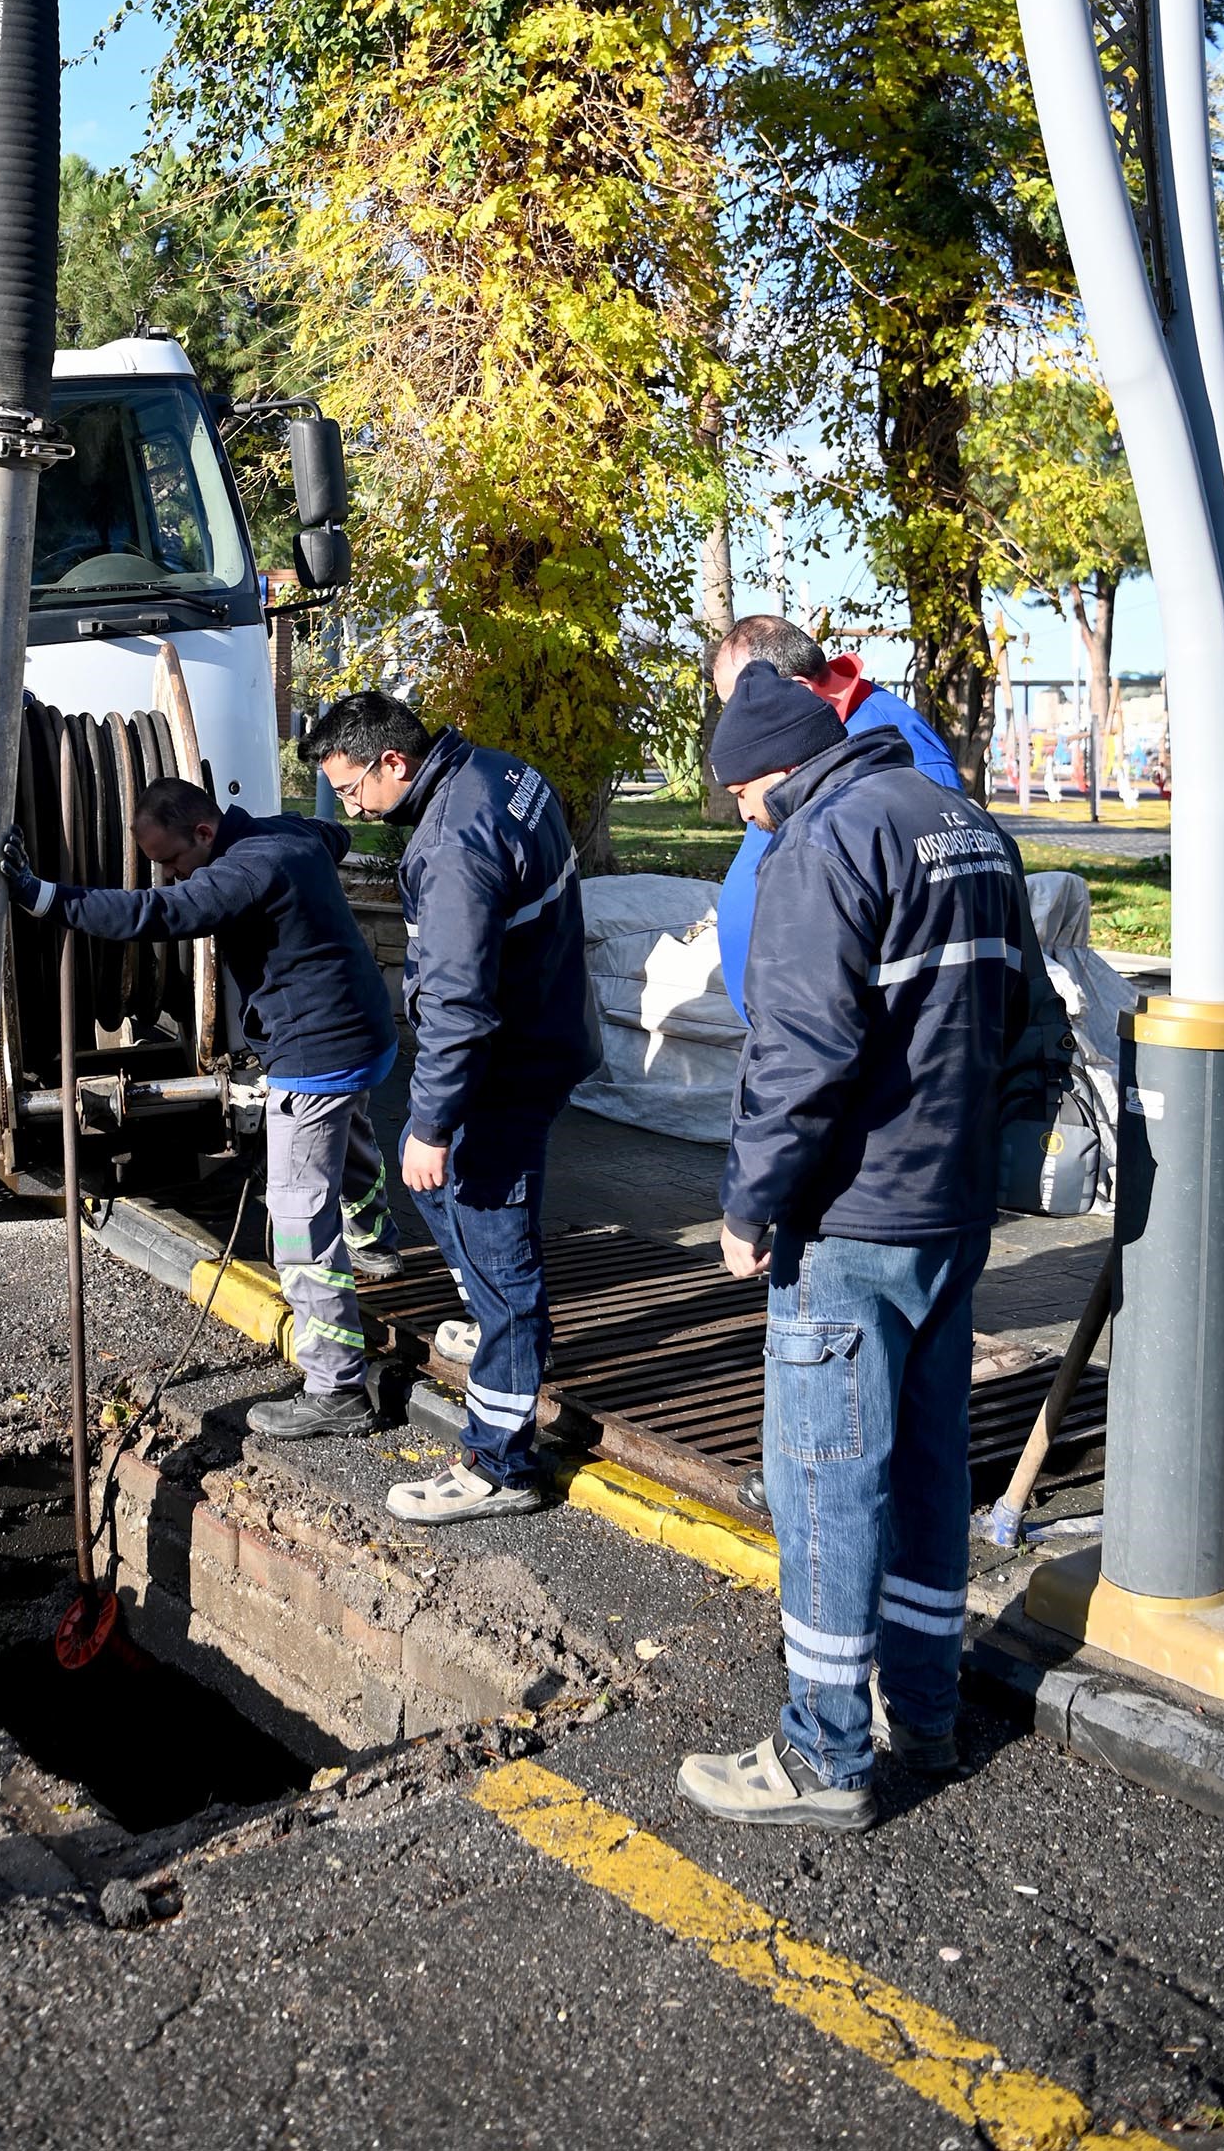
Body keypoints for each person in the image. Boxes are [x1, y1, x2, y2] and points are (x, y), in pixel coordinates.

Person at [678, 662, 1059, 1834]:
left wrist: (748, 1206)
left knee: (826, 1480)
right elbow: (1030, 1022)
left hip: (846, 1221)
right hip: (948, 1216)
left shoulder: (819, 844)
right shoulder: (966, 826)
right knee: (928, 1465)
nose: (745, 819)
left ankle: (822, 1753)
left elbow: (798, 1055)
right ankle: (926, 1712)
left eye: (740, 798)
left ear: (769, 772)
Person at [1, 776, 402, 1441]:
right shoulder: (291, 833)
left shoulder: (246, 868)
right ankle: (377, 1246)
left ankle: (336, 1388)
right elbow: (336, 835)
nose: (167, 873)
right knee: (350, 1135)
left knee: (300, 1221)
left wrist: (41, 896)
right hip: (366, 1033)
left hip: (316, 1053)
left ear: (206, 833)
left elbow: (154, 918)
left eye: (173, 860)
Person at [301, 691, 601, 1526]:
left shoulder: (453, 845)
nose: (353, 807)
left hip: (502, 1065)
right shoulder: (500, 774)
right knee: (446, 1195)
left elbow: (462, 1005)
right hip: (545, 1030)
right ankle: (503, 1328)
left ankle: (498, 1463)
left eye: (353, 788)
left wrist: (433, 1123)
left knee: (490, 1232)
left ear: (393, 761)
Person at [711, 617, 963, 1028]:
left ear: (799, 690)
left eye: (737, 705)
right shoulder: (787, 748)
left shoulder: (901, 742)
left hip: (851, 1032)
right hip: (788, 1017)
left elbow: (940, 892)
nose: (733, 723)